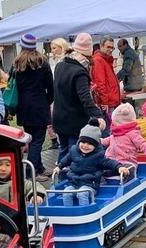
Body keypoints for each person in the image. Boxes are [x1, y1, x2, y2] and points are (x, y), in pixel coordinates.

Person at [53, 33, 106, 164]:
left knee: (63, 151)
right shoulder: (79, 72)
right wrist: (98, 116)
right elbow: (85, 98)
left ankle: (60, 180)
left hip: (58, 117)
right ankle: (72, 182)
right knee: (74, 155)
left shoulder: (60, 65)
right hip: (73, 121)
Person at [54, 121, 129, 207]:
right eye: (83, 142)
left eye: (90, 144)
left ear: (96, 145)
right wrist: (59, 166)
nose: (85, 146)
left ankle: (84, 211)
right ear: (79, 141)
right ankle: (68, 212)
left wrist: (119, 167)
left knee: (82, 193)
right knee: (66, 193)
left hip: (90, 184)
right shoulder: (74, 150)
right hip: (74, 182)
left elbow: (109, 162)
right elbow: (66, 159)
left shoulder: (98, 155)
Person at [13, 33, 54, 182]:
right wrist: (47, 101)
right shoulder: (42, 62)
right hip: (39, 105)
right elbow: (50, 86)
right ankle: (31, 174)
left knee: (31, 138)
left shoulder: (17, 64)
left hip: (24, 107)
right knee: (37, 141)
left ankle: (40, 167)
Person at [91, 37, 121, 120]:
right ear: (101, 46)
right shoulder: (98, 60)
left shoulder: (105, 60)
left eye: (112, 47)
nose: (111, 50)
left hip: (111, 102)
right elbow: (100, 83)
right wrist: (105, 102)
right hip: (108, 103)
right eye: (108, 47)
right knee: (108, 129)